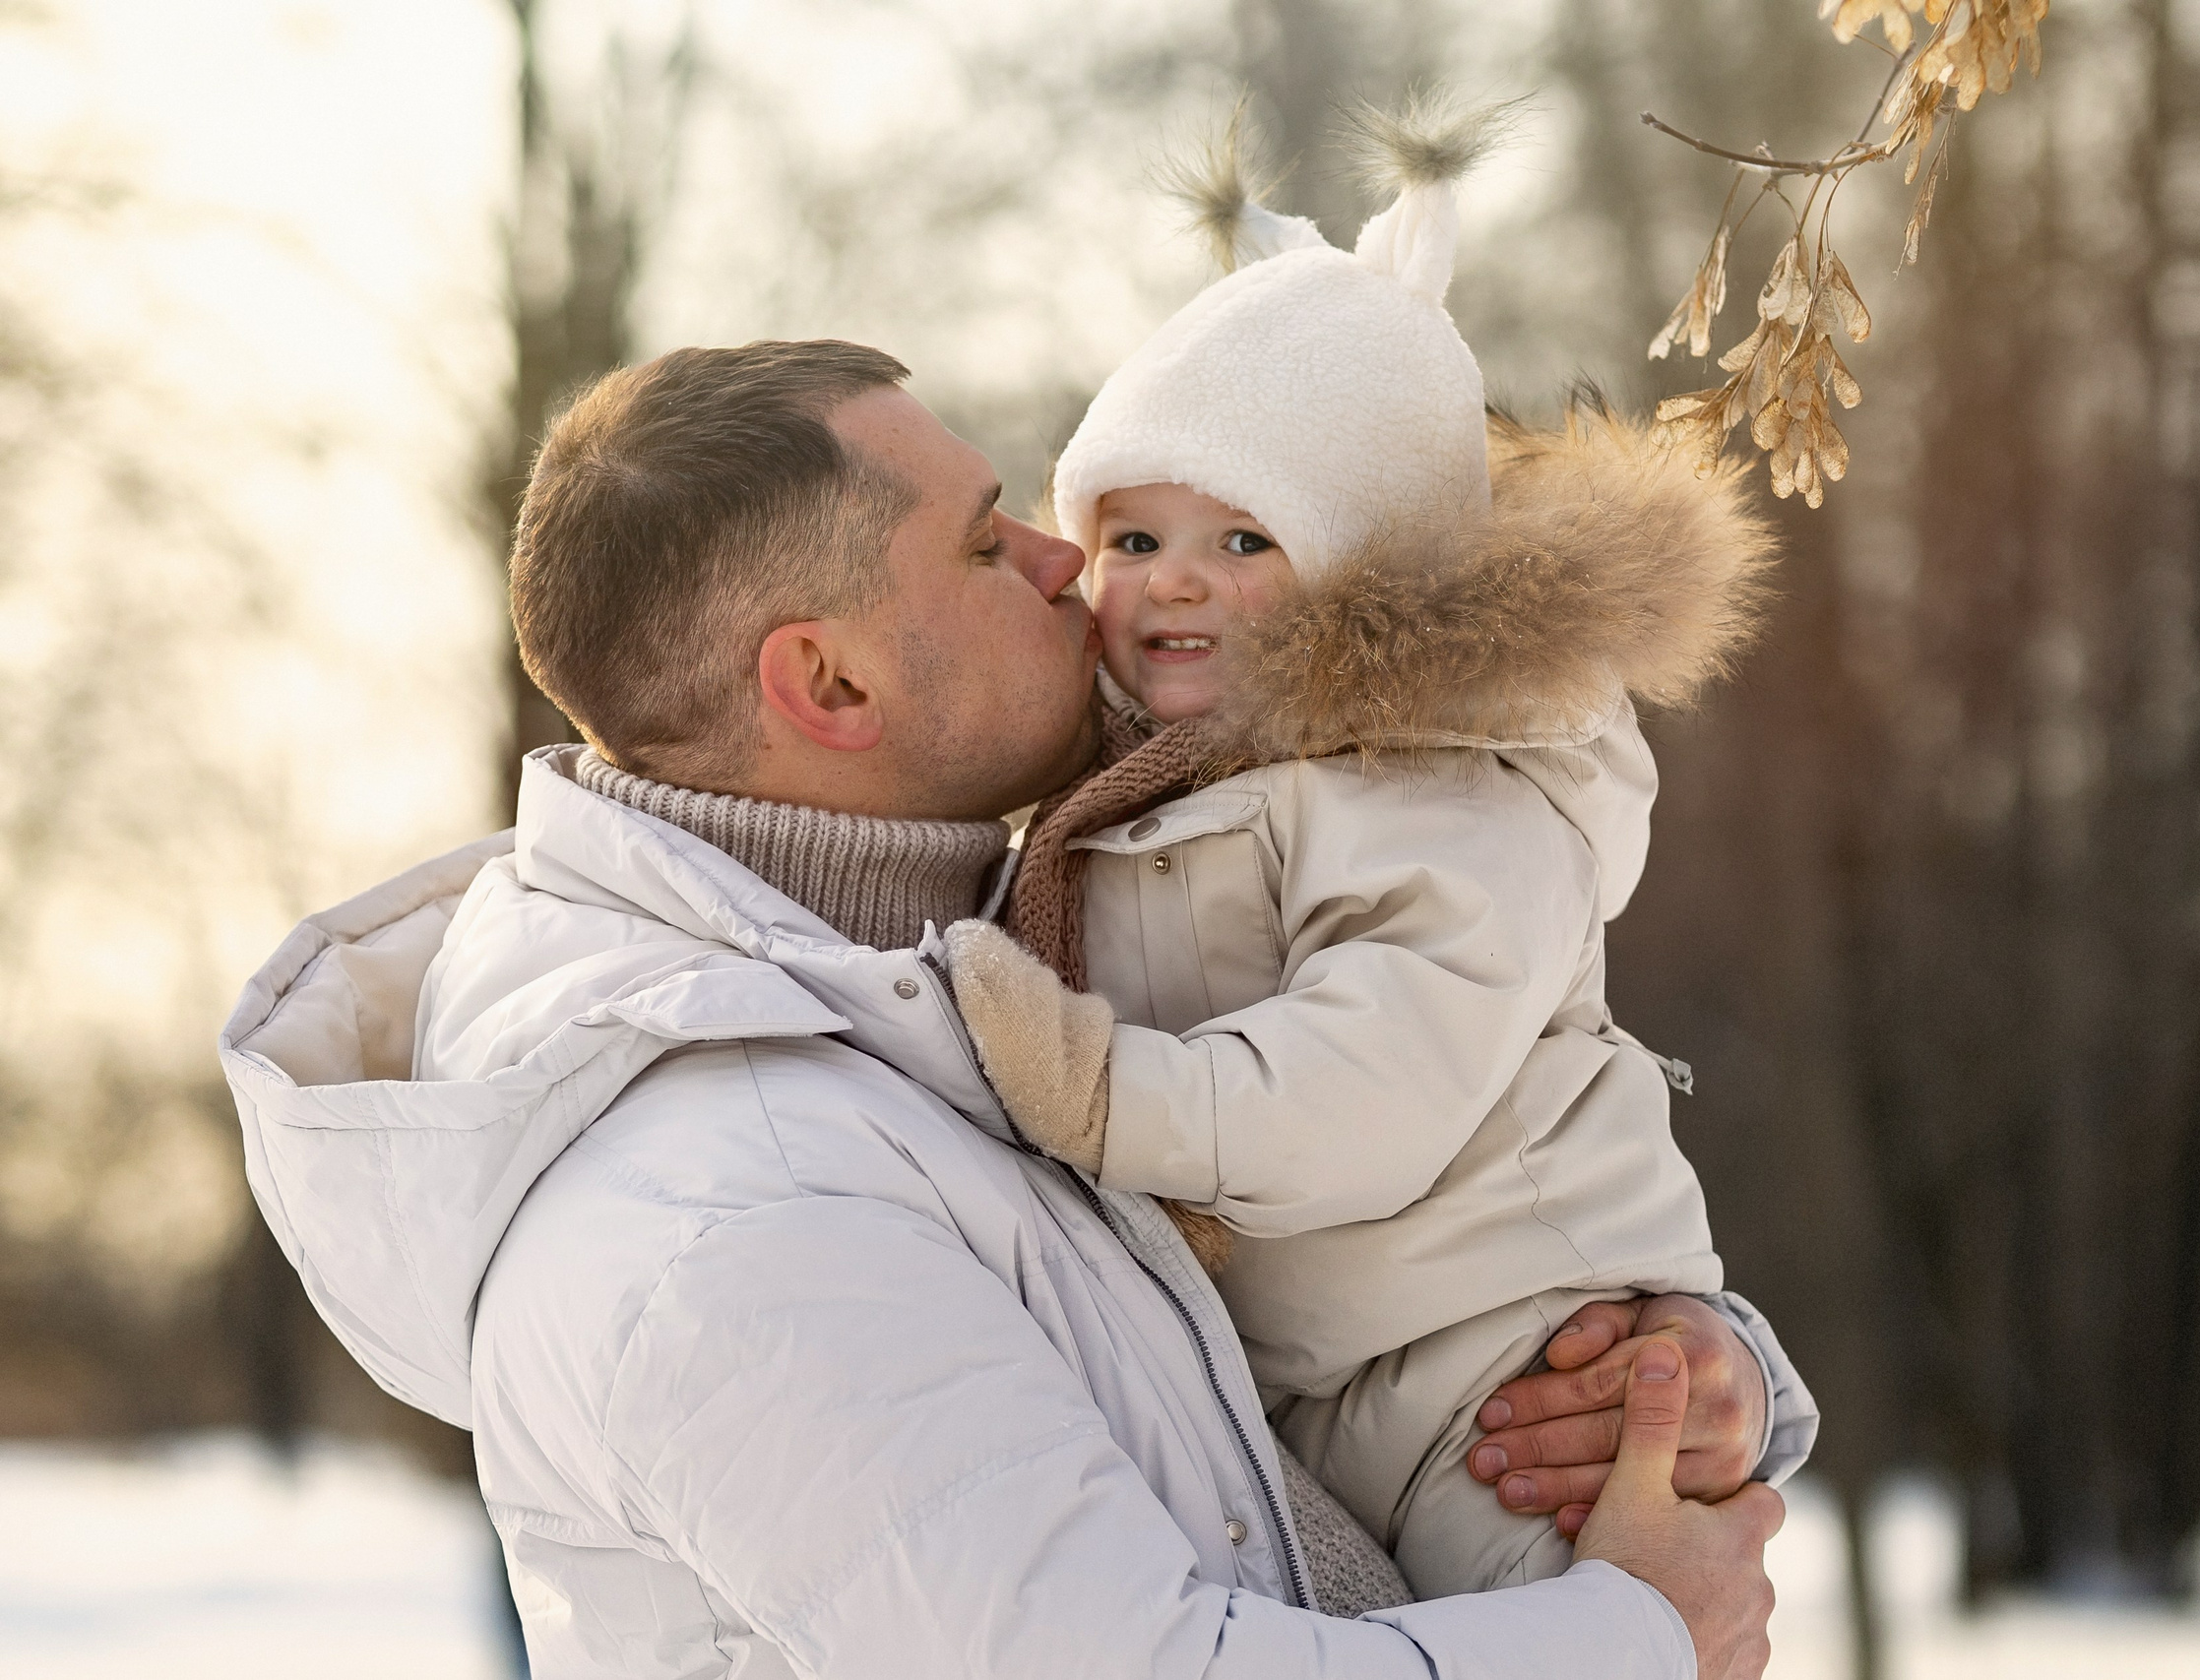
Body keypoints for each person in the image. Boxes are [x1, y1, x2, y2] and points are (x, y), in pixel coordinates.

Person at [217, 336, 1804, 1678]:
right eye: (990, 542)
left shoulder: (958, 1011)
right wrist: (1635, 1632)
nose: (1070, 564)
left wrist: (1649, 1364)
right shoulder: (736, 1206)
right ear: (827, 687)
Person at [932, 102, 1795, 1601]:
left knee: (1576, 1640)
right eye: (1133, 539)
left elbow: (1372, 1079)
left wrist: (1100, 1095)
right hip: (1324, 1394)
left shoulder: (1439, 782)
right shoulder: (1131, 794)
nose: (1174, 582)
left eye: (1246, 541)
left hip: (1515, 1372)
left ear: (1363, 567)